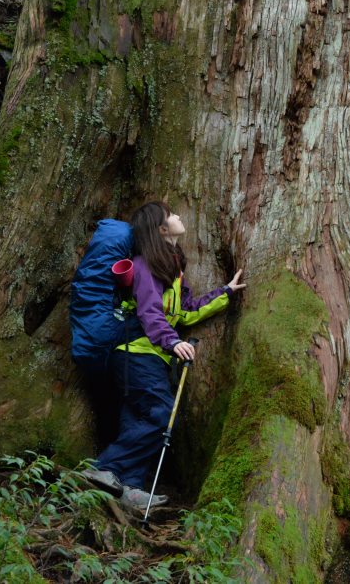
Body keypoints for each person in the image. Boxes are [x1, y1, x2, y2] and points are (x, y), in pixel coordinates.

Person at [83, 201, 245, 511]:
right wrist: (172, 342)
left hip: (150, 358)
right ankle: (104, 466)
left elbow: (184, 313)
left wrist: (224, 292)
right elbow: (149, 311)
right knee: (161, 414)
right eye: (171, 215)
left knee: (138, 419)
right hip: (135, 355)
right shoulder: (145, 265)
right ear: (161, 229)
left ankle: (129, 488)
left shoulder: (173, 266)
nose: (178, 216)